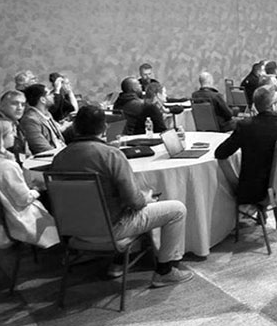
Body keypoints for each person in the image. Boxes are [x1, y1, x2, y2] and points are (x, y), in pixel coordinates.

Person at [50, 106, 193, 287]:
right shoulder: (110, 155)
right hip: (114, 229)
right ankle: (165, 271)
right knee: (176, 210)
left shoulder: (59, 158)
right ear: (104, 128)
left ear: (76, 128)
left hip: (74, 232)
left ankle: (117, 264)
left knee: (115, 204)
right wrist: (146, 198)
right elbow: (135, 203)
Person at [0, 118, 59, 249]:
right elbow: (24, 199)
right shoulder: (7, 167)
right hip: (18, 224)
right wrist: (38, 188)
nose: (15, 136)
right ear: (0, 138)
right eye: (12, 132)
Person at [214, 86, 277, 206]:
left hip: (253, 191)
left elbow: (220, 153)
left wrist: (235, 183)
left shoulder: (245, 126)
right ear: (274, 105)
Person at [19, 83, 67, 154]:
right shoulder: (30, 120)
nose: (53, 95)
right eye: (50, 93)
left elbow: (57, 134)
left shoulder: (47, 114)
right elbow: (42, 148)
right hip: (53, 159)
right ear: (43, 100)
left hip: (62, 152)